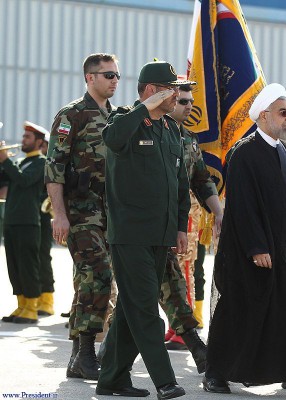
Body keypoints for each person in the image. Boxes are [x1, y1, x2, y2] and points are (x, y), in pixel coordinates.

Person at [203, 83, 286, 397]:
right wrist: (257, 247)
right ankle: (216, 373)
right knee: (238, 311)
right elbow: (243, 207)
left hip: (285, 250)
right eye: (283, 113)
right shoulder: (244, 152)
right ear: (263, 116)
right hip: (250, 253)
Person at [95, 61, 191, 399]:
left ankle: (111, 379)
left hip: (161, 235)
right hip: (131, 234)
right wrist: (144, 109)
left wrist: (180, 226)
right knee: (148, 312)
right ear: (152, 90)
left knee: (131, 309)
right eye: (171, 88)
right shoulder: (125, 121)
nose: (177, 94)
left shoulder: (170, 129)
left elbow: (180, 183)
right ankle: (165, 380)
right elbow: (112, 139)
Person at [45, 53, 118, 380]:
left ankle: (79, 358)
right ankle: (86, 352)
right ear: (90, 78)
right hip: (79, 212)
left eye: (117, 75)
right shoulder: (71, 115)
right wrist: (58, 215)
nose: (115, 80)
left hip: (110, 214)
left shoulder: (117, 117)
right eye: (108, 75)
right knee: (98, 274)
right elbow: (54, 169)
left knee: (89, 280)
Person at [159, 83, 222, 374]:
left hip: (184, 215)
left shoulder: (188, 139)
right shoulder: (148, 129)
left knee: (183, 270)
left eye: (190, 102)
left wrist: (218, 212)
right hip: (149, 217)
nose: (187, 106)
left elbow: (201, 179)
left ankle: (182, 329)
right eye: (182, 100)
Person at [0, 122, 47, 324]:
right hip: (11, 220)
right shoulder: (21, 162)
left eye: (27, 137)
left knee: (28, 266)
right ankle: (21, 304)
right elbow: (7, 180)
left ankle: (31, 307)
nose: (22, 140)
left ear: (38, 142)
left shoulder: (41, 162)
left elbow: (25, 180)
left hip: (28, 222)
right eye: (23, 136)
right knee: (14, 266)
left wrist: (5, 161)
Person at [38, 132, 56, 316]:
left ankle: (47, 299)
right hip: (39, 216)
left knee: (44, 257)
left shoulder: (45, 163)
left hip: (44, 219)